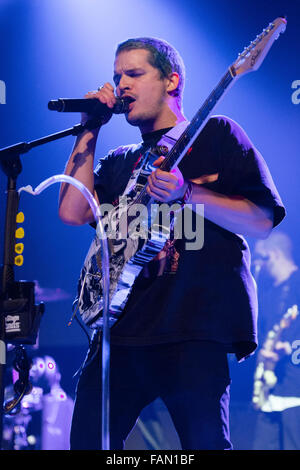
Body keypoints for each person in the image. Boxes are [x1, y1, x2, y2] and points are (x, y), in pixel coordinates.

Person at [58, 37, 286, 450]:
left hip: (193, 330)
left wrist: (189, 195)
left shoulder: (218, 134)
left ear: (171, 80)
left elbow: (262, 221)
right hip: (119, 333)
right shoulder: (118, 160)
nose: (121, 85)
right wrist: (90, 126)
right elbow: (73, 212)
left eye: (134, 74)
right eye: (116, 76)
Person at [252, 231, 300, 450]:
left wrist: (289, 348)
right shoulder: (267, 293)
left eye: (260, 258)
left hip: (295, 390)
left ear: (273, 254)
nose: (257, 267)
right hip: (269, 390)